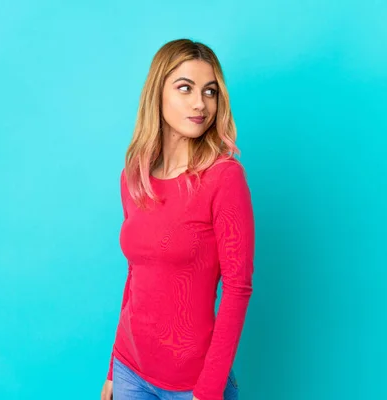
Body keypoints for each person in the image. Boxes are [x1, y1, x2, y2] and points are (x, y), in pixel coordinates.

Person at [101, 38, 255, 400]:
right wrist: (112, 370)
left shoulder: (224, 178)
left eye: (210, 91)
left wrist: (208, 390)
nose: (200, 103)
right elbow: (136, 277)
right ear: (158, 92)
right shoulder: (133, 177)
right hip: (129, 371)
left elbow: (237, 289)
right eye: (185, 88)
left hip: (194, 385)